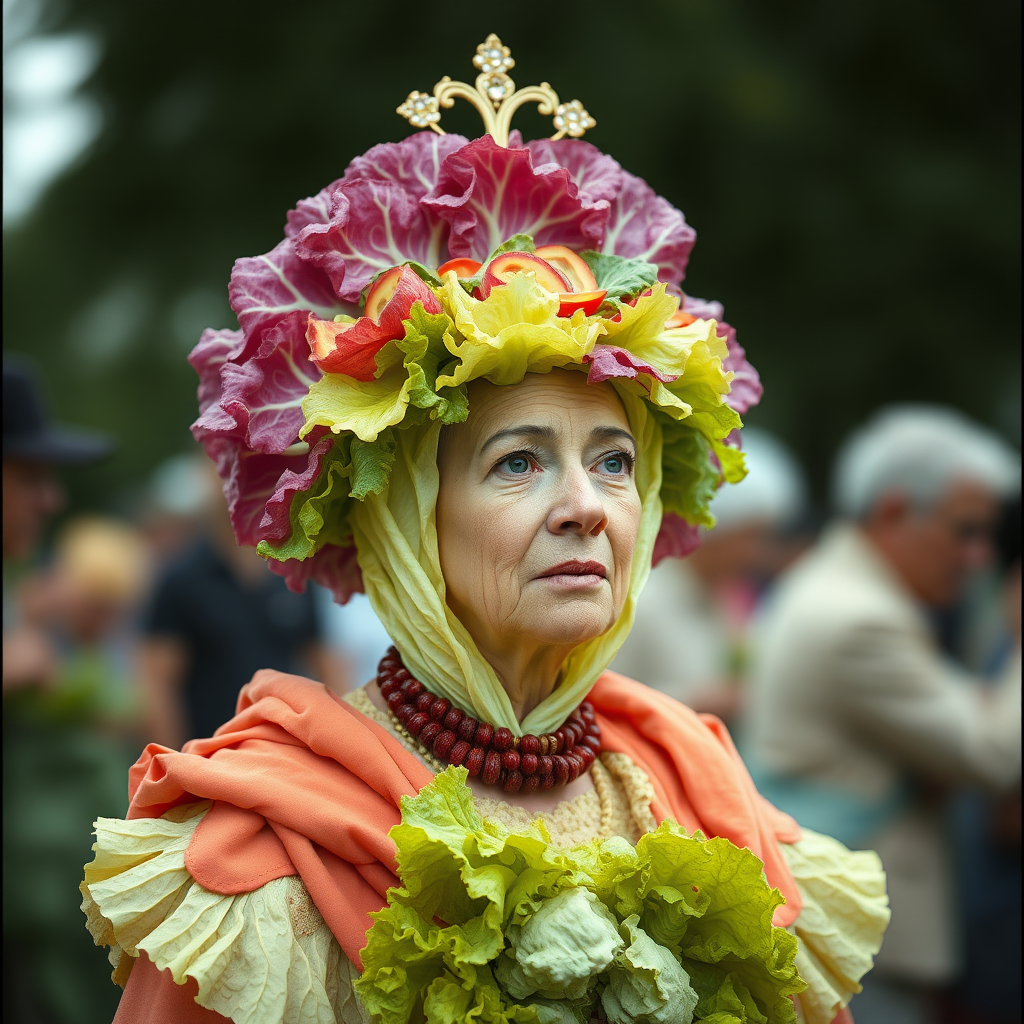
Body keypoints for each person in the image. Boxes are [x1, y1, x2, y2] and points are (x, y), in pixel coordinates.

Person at [81, 37, 886, 1024]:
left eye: (613, 460)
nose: (586, 504)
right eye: (517, 459)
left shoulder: (697, 778)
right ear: (406, 517)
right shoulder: (266, 840)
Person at [742, 405, 1021, 1024]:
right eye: (965, 532)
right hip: (858, 951)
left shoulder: (839, 588)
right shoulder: (860, 616)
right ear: (894, 511)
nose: (978, 557)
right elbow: (997, 755)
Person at [137, 459, 348, 748]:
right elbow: (158, 687)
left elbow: (327, 667)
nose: (242, 482)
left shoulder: (293, 569)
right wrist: (176, 770)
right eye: (226, 468)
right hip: (210, 761)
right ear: (206, 478)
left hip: (284, 758)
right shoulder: (180, 579)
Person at [611, 427, 809, 723]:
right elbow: (601, 700)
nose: (758, 554)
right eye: (751, 537)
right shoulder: (642, 598)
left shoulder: (724, 595)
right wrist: (695, 703)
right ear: (713, 528)